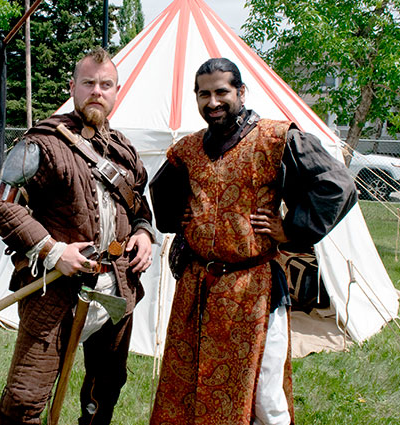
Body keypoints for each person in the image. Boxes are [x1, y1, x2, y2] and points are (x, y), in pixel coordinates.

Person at [149, 58, 357, 425]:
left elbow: (336, 185)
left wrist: (291, 230)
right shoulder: (188, 149)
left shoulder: (277, 138)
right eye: (203, 94)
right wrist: (181, 220)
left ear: (241, 92)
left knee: (264, 393)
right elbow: (160, 189)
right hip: (198, 287)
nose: (213, 102)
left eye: (221, 92)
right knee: (190, 383)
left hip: (253, 287)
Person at [0, 47, 154, 425]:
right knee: (25, 397)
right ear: (73, 86)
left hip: (116, 289)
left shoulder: (125, 152)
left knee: (105, 389)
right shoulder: (42, 142)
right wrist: (53, 250)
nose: (97, 91)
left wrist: (144, 232)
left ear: (116, 91)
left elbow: (140, 207)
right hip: (55, 289)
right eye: (88, 83)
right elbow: (0, 206)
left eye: (106, 84)